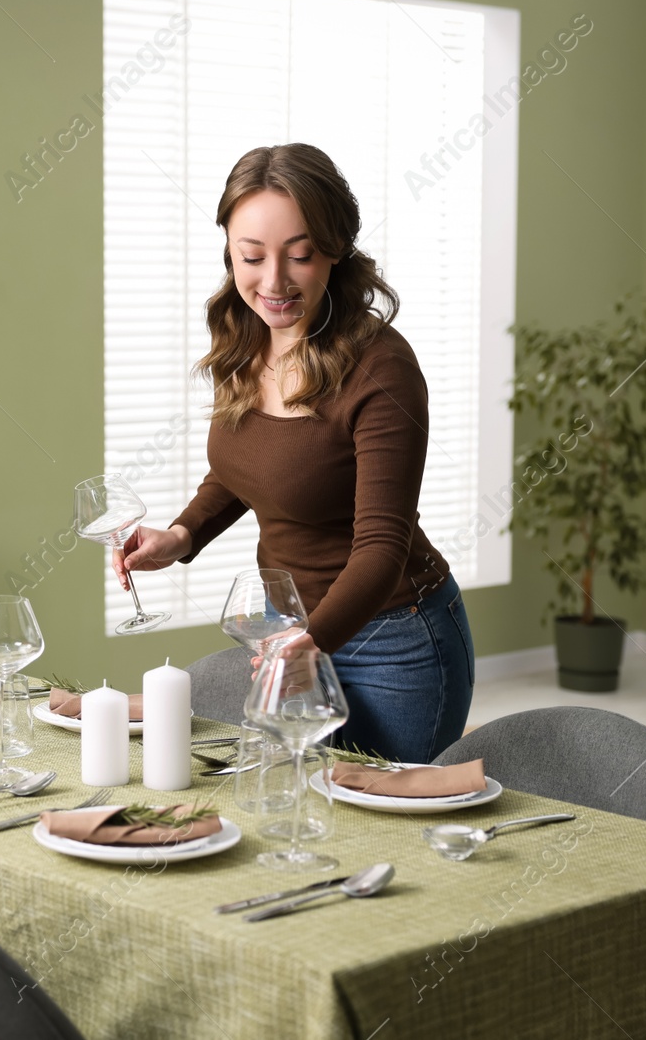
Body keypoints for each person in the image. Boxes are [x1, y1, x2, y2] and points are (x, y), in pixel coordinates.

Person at [117, 143, 474, 764]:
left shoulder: (381, 367)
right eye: (251, 257)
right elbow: (248, 467)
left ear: (336, 251)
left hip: (391, 639)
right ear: (229, 249)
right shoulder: (248, 336)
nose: (274, 282)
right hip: (292, 632)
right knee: (295, 810)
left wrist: (313, 641)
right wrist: (181, 535)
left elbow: (382, 547)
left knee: (383, 827)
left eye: (300, 255)